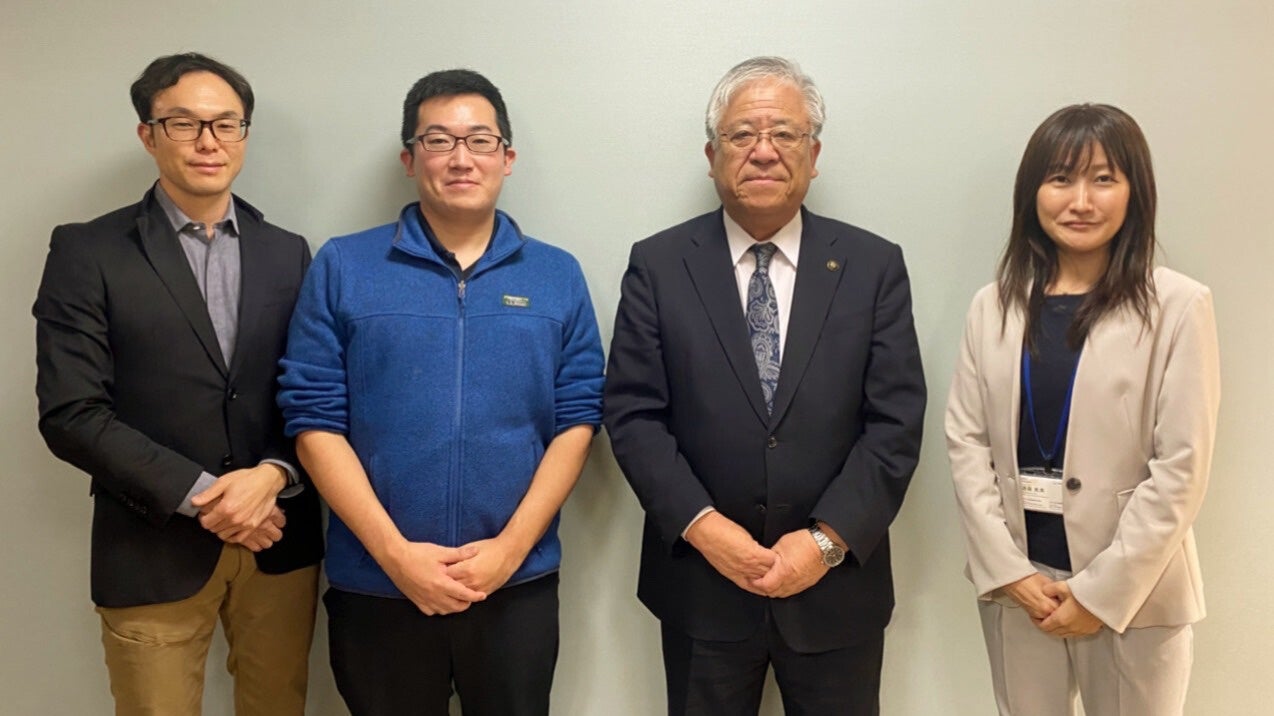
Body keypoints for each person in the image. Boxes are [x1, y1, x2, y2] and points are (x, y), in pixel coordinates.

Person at [603, 56, 926, 715]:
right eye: (742, 134)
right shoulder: (658, 265)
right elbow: (633, 415)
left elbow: (895, 422)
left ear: (814, 154)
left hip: (837, 591)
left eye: (784, 133)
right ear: (712, 155)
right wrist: (705, 529)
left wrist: (825, 543)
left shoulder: (872, 266)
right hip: (701, 587)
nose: (764, 150)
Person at [277, 68, 604, 716]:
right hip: (377, 586)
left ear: (507, 158)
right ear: (409, 158)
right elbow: (313, 421)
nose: (461, 158)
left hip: (514, 587)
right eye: (438, 140)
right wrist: (396, 557)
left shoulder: (557, 274)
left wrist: (508, 551)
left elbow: (578, 420)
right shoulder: (344, 266)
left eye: (480, 140)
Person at [33, 52, 323, 715]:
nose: (207, 141)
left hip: (279, 536)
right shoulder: (87, 250)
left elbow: (311, 389)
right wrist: (206, 497)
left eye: (226, 123)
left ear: (244, 134)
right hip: (152, 542)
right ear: (148, 134)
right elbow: (72, 411)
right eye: (184, 123)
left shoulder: (289, 251)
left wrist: (273, 473)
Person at [945, 103, 1220, 716]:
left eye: (1103, 179)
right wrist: (1008, 571)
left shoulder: (1178, 306)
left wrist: (1099, 592)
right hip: (1020, 585)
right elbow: (966, 443)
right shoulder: (992, 306)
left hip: (1136, 592)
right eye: (1061, 178)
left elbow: (1181, 466)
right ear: (1033, 193)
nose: (1081, 201)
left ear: (1134, 192)